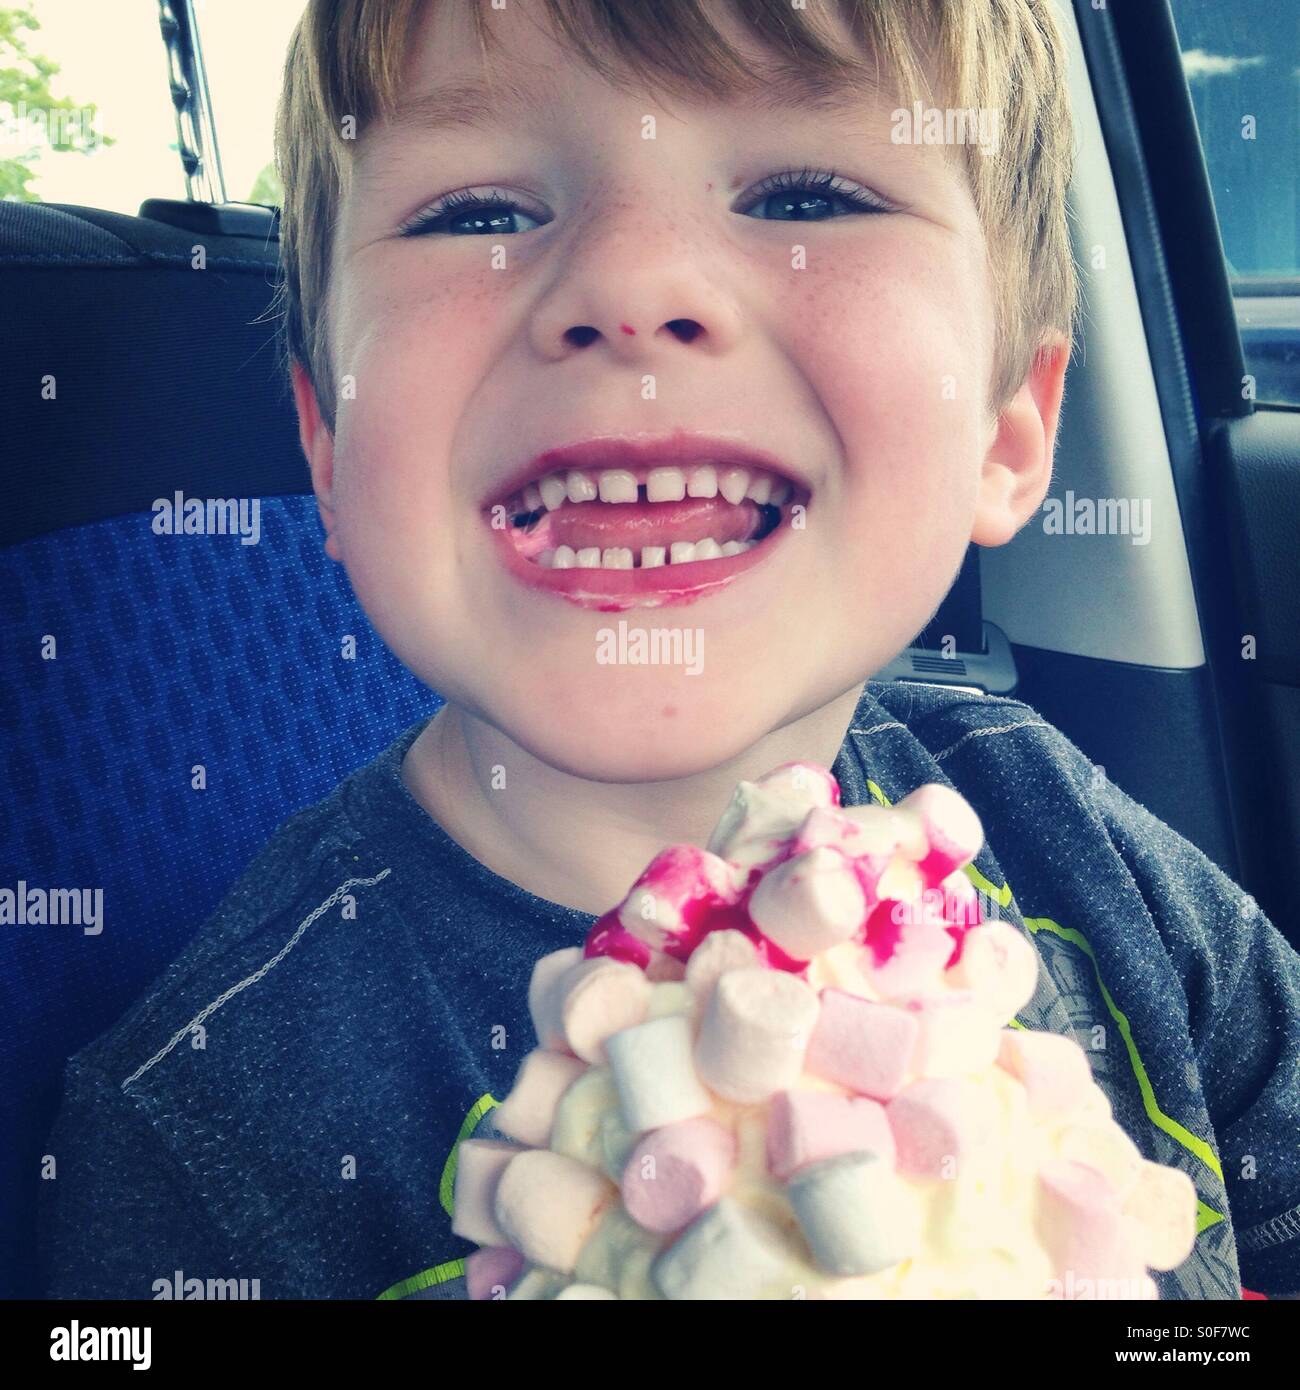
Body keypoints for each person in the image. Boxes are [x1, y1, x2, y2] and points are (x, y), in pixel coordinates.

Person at [39, 0, 1300, 1300]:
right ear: (329, 452)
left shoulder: (1052, 823)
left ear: (1007, 433)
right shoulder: (206, 1131)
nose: (631, 285)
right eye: (475, 213)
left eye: (809, 194)